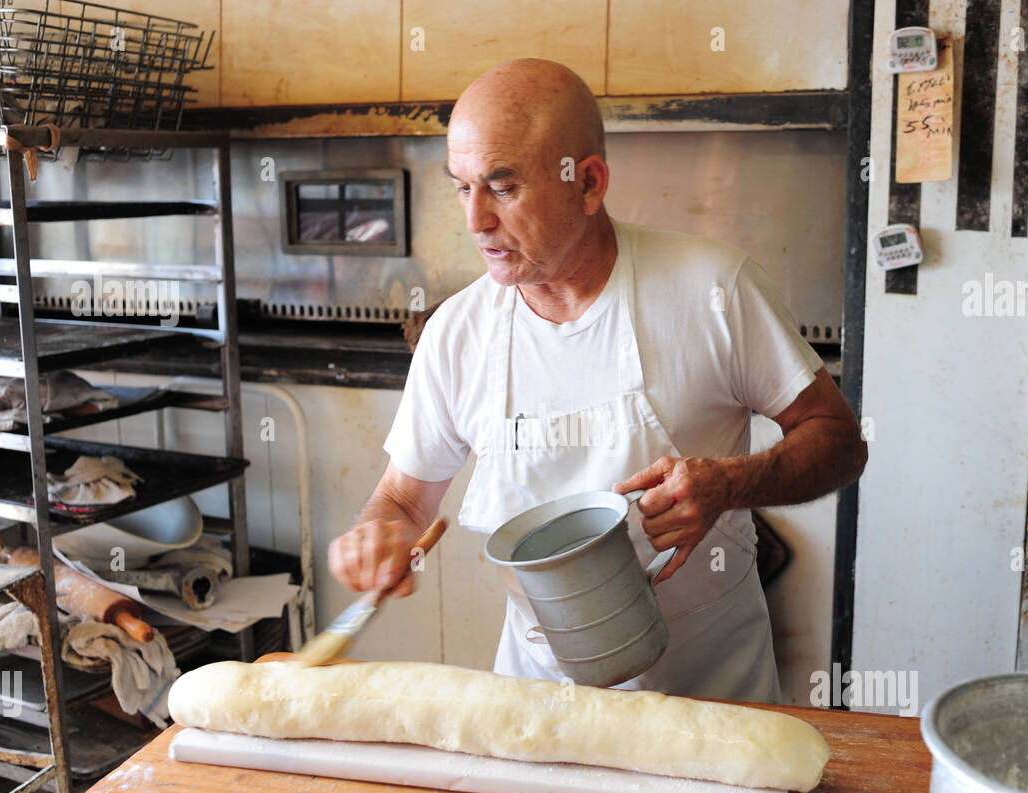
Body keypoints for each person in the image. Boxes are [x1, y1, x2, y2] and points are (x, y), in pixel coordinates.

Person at [327, 59, 867, 703]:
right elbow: (405, 501)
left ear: (587, 183)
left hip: (715, 702)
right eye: (461, 188)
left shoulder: (713, 291)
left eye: (502, 187)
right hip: (542, 709)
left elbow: (839, 441)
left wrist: (730, 484)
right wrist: (382, 531)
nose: (475, 220)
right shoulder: (455, 334)